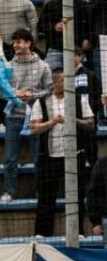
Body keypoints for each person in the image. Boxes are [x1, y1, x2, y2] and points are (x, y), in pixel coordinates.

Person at [31, 68, 95, 236]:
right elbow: (35, 128)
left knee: (77, 196)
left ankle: (78, 232)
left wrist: (73, 120)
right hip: (49, 156)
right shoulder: (42, 102)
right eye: (55, 80)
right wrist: (52, 122)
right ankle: (42, 234)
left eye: (60, 80)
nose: (57, 83)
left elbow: (90, 123)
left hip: (75, 155)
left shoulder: (79, 100)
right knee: (45, 197)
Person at [2, 29, 51, 202]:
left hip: (36, 117)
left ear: (29, 43)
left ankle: (40, 192)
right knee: (10, 158)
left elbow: (49, 90)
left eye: (20, 41)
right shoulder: (7, 66)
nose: (16, 45)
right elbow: (0, 91)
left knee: (39, 157)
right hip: (13, 116)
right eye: (14, 42)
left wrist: (33, 95)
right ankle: (9, 191)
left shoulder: (43, 66)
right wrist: (15, 93)